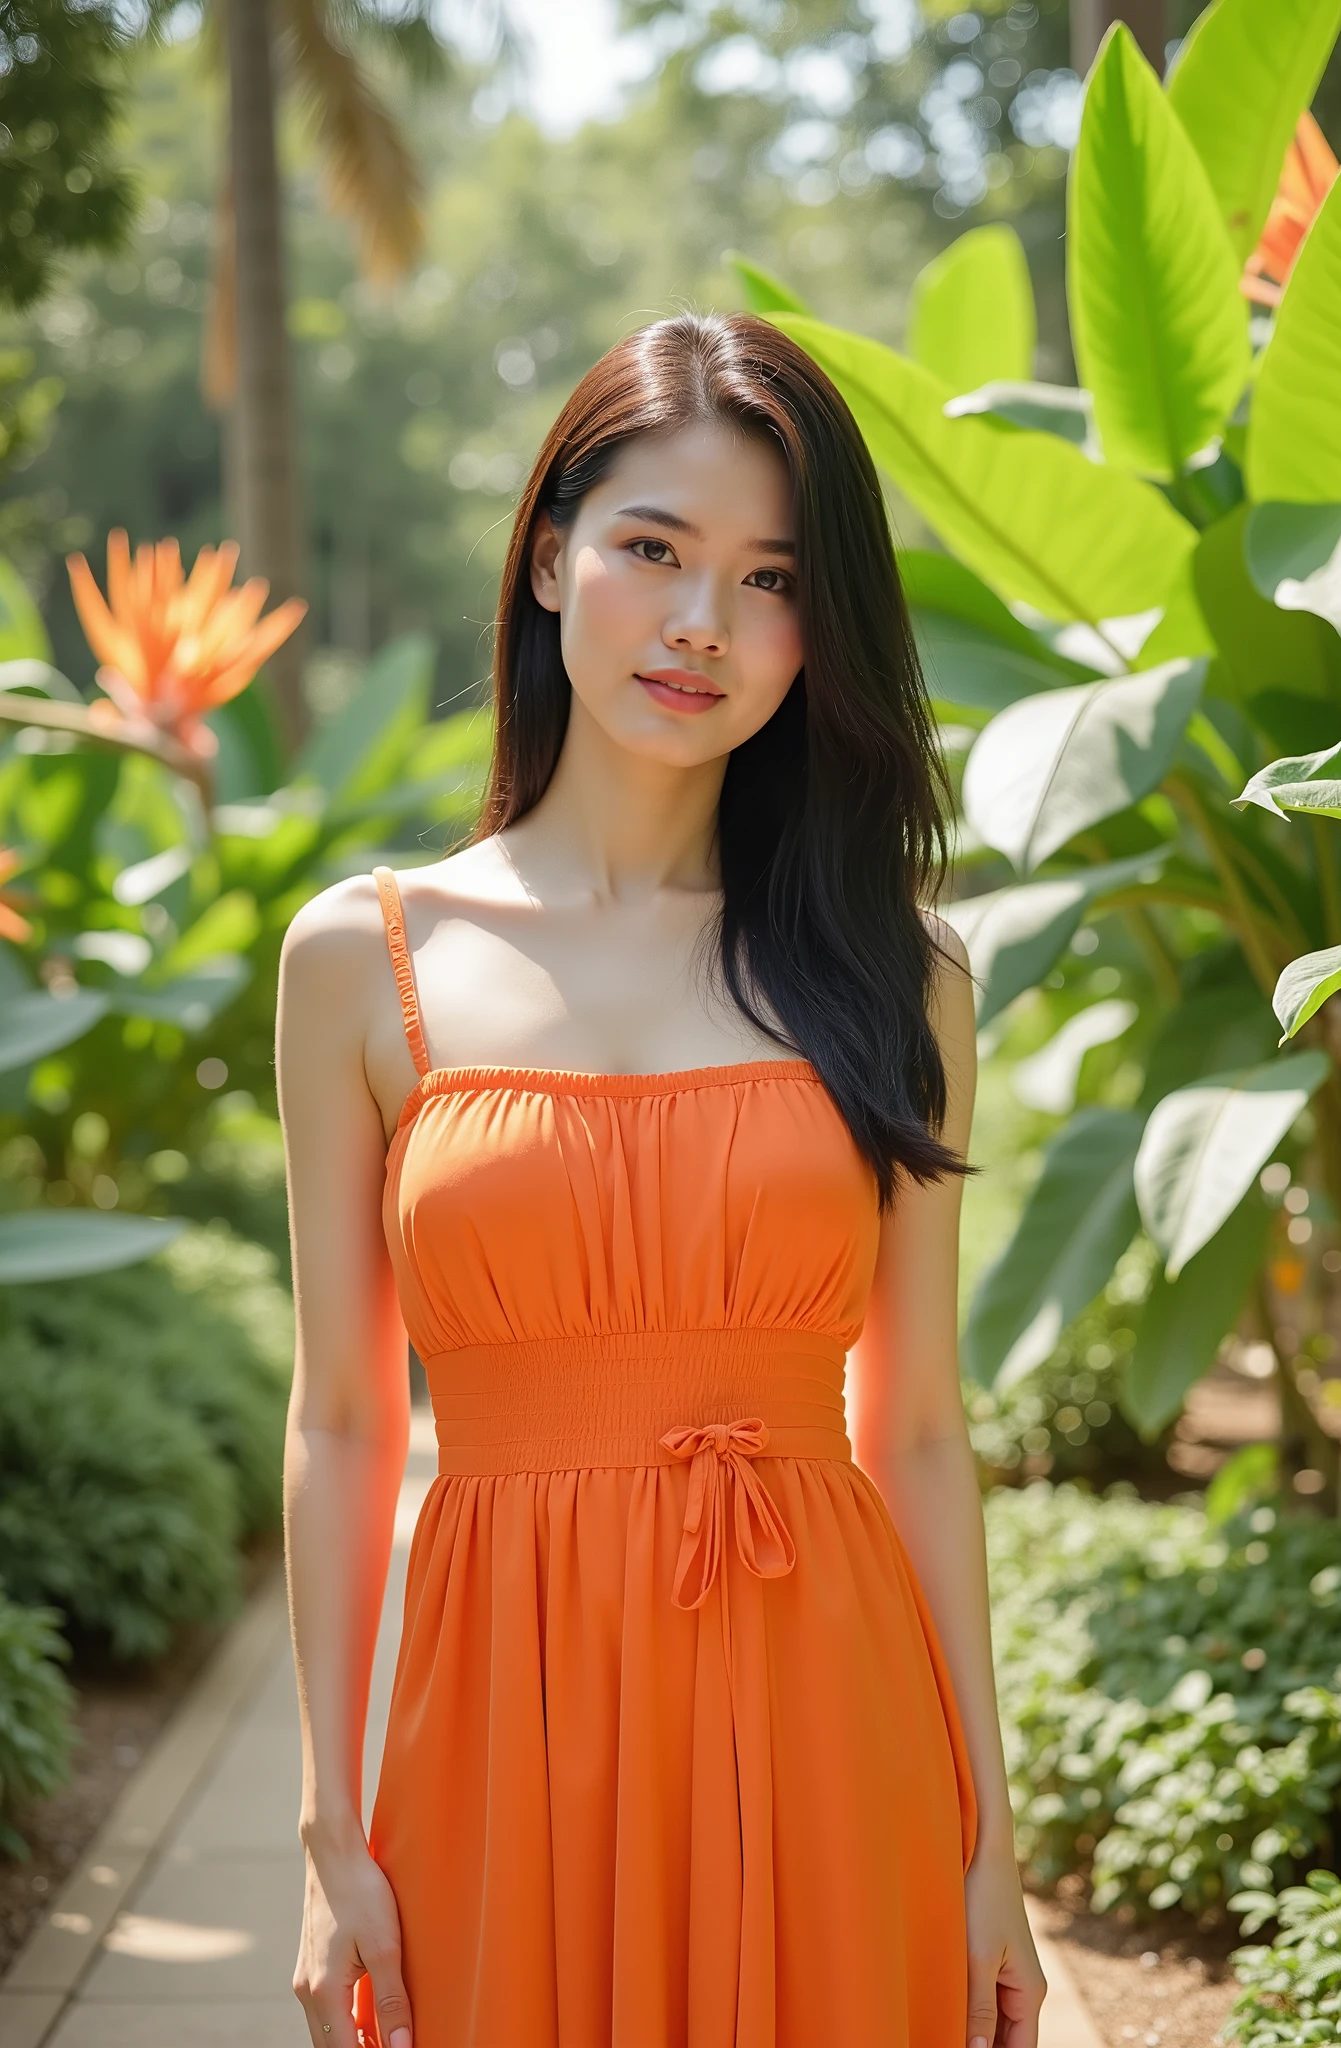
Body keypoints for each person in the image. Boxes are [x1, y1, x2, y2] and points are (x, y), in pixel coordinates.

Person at [276, 309, 1045, 2048]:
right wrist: (330, 1835)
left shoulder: (894, 970)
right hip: (498, 1723)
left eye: (771, 580)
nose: (704, 623)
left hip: (831, 1712)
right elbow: (340, 1426)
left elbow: (914, 1426)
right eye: (652, 550)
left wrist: (993, 1835)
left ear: (815, 637)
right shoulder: (364, 960)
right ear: (550, 561)